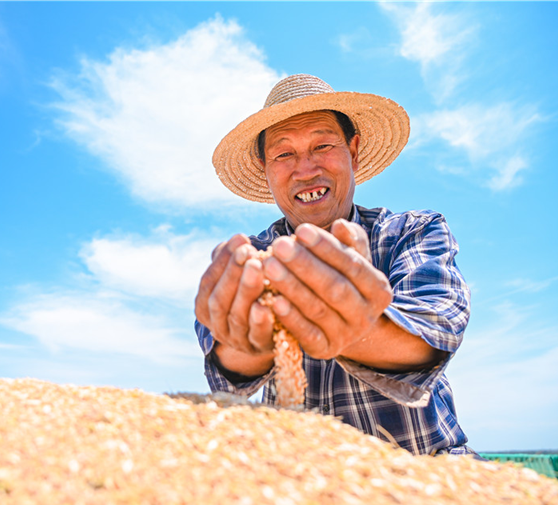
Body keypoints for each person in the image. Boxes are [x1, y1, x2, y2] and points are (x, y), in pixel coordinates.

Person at [194, 74, 474, 456]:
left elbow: (435, 330)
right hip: (297, 479)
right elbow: (228, 364)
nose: (306, 169)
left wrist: (357, 327)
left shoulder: (411, 232)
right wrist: (248, 344)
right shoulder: (250, 258)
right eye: (283, 154)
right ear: (265, 168)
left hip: (424, 468)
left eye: (322, 145)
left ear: (353, 152)